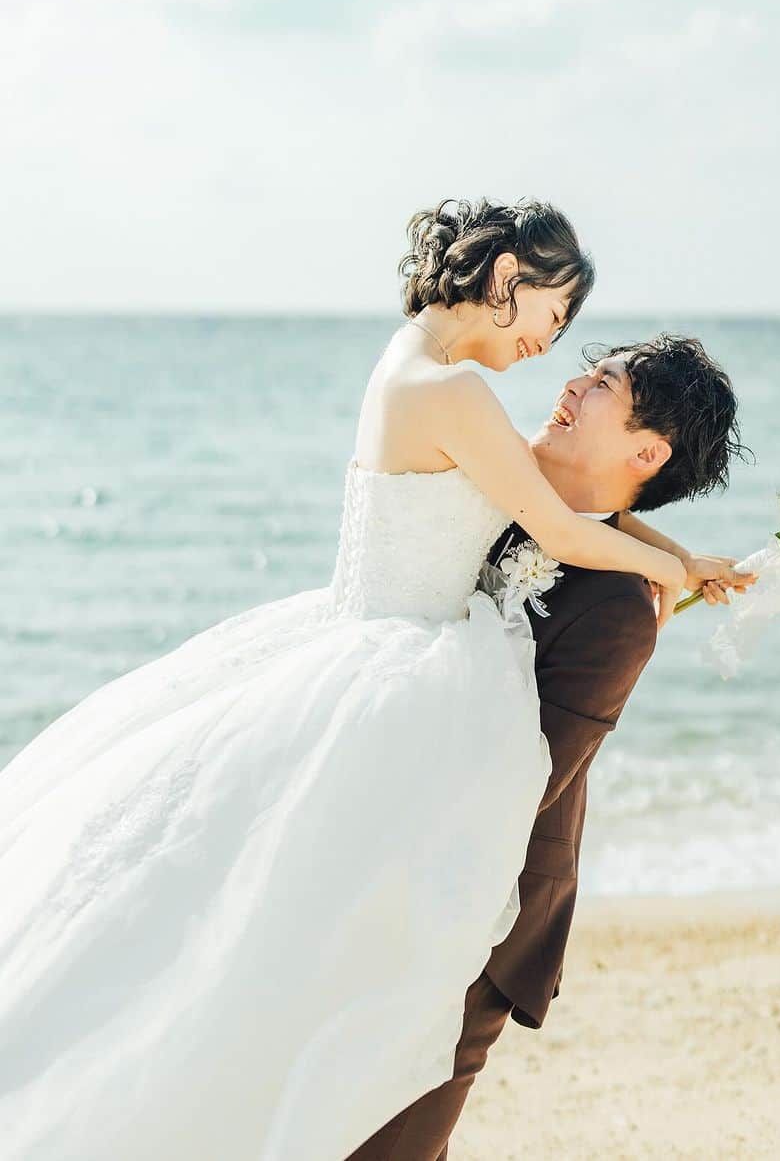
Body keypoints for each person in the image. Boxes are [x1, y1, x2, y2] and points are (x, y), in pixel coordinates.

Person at [0, 199, 711, 1161]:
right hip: (396, 662)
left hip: (357, 641)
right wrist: (673, 570)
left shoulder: (417, 366)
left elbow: (574, 517)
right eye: (554, 321)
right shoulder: (459, 396)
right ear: (509, 281)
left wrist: (672, 552)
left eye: (584, 356)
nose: (553, 353)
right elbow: (560, 526)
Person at [348, 334, 755, 1160]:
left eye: (603, 384)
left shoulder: (619, 612)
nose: (572, 384)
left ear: (647, 449)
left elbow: (526, 783)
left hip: (478, 919)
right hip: (379, 872)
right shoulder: (494, 488)